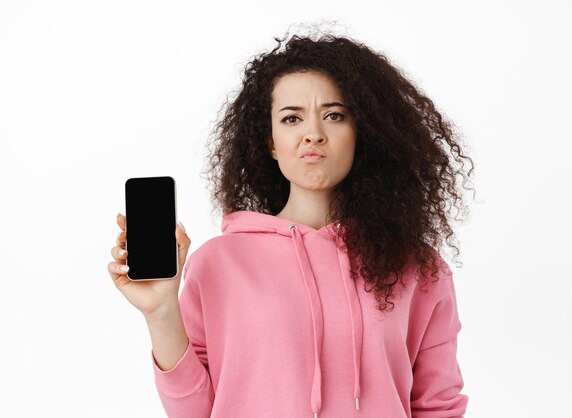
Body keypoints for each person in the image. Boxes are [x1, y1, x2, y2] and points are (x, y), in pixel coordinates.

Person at [108, 28, 475, 418]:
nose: (312, 134)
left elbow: (438, 406)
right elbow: (196, 412)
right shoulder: (219, 262)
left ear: (362, 131)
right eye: (291, 118)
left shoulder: (419, 267)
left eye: (334, 115)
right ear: (270, 142)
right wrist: (161, 311)